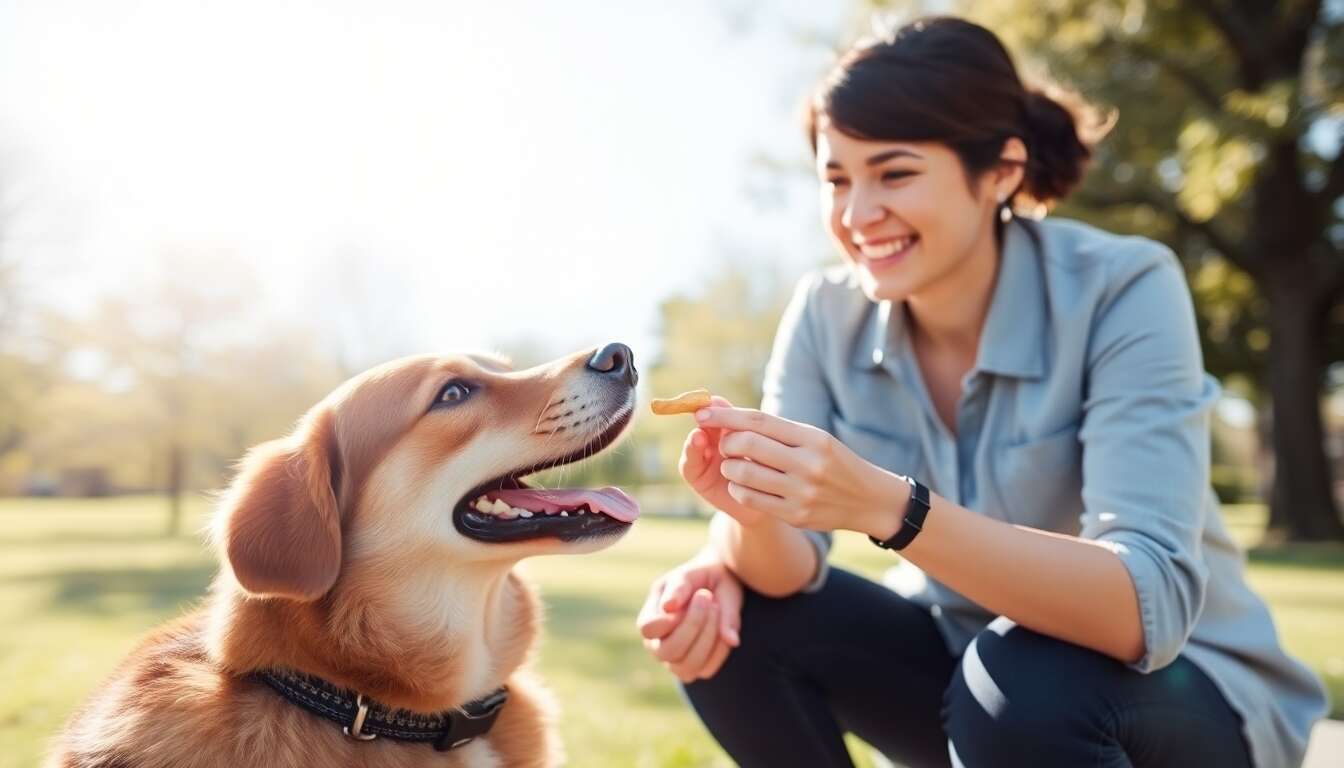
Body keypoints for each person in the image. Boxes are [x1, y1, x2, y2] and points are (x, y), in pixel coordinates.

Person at [635, 16, 1327, 768]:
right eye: (837, 180)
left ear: (1000, 171)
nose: (857, 216)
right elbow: (788, 571)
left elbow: (1142, 609)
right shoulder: (824, 315)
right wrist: (747, 522)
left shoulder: (1124, 285)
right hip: (975, 680)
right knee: (736, 622)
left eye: (894, 174)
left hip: (1181, 695)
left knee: (1022, 679)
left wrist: (887, 507)